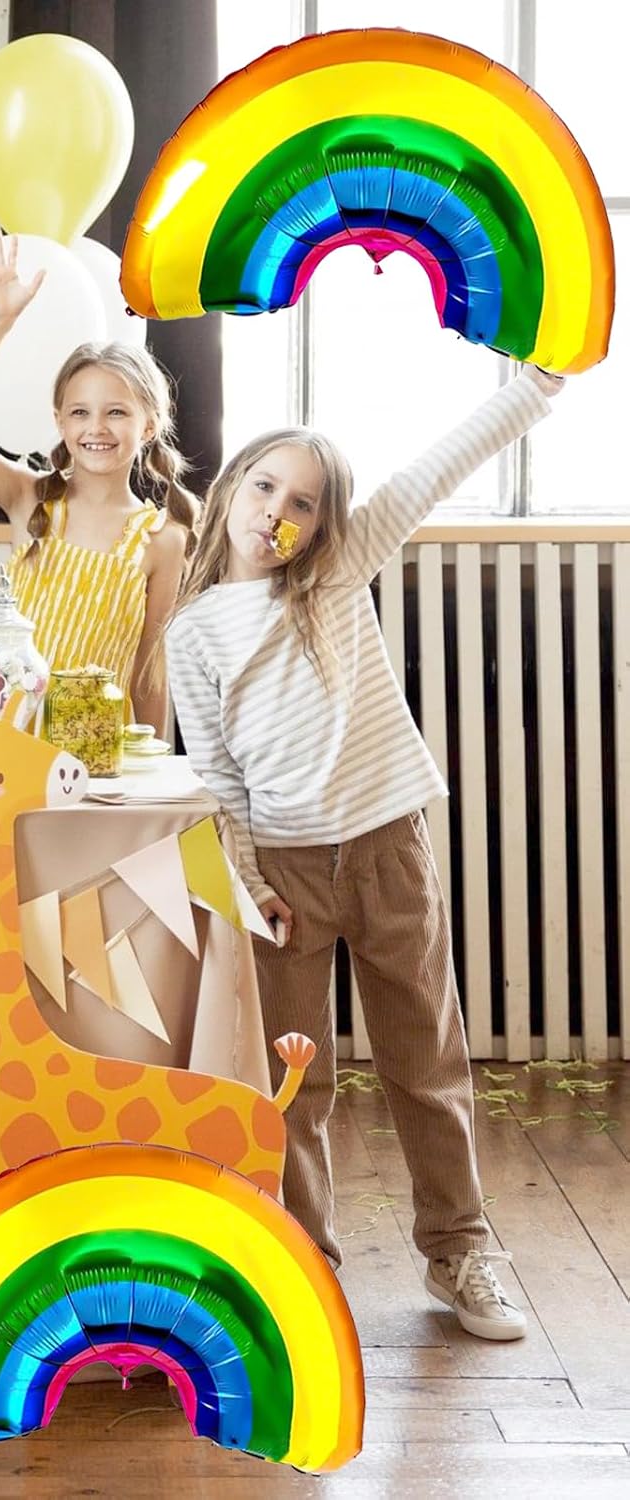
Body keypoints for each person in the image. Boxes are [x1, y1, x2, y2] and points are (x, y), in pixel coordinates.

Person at [165, 365, 565, 1339]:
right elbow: (217, 780)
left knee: (427, 1062)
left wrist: (535, 387)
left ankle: (459, 1250)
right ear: (232, 488)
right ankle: (305, 1264)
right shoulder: (195, 630)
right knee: (294, 1085)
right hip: (285, 875)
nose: (277, 512)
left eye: (303, 503)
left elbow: (435, 468)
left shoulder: (338, 575)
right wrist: (249, 883)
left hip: (388, 852)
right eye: (265, 486)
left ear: (323, 526)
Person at [0, 232, 197, 734]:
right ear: (60, 422)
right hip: (9, 745)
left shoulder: (163, 539)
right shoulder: (29, 498)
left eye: (116, 412)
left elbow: (147, 675)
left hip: (98, 752)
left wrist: (155, 766)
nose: (96, 428)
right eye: (80, 413)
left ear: (148, 425)